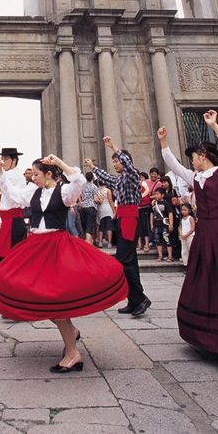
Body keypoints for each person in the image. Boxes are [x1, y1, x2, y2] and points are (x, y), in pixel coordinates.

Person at [0, 154, 127, 373]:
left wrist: (59, 163)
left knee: (55, 301)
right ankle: (71, 332)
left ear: (48, 174)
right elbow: (12, 195)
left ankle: (73, 352)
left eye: (36, 174)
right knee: (24, 288)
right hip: (36, 247)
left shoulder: (64, 192)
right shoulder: (33, 192)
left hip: (56, 247)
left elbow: (80, 181)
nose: (32, 177)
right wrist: (0, 172)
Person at [158, 109, 218, 360]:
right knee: (206, 280)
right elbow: (173, 165)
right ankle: (209, 335)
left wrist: (215, 126)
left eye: (194, 157)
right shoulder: (196, 177)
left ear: (203, 156)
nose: (191, 162)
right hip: (206, 234)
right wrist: (164, 143)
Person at [85, 136, 151, 317]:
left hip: (130, 219)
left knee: (124, 260)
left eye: (116, 161)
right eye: (113, 161)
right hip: (122, 219)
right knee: (131, 262)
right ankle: (133, 300)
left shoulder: (131, 176)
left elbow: (128, 164)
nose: (114, 164)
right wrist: (92, 167)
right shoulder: (120, 180)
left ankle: (140, 299)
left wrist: (113, 147)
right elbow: (106, 177)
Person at [150, 186, 173, 262]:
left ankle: (170, 256)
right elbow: (151, 214)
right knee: (157, 240)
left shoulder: (166, 204)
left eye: (157, 194)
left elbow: (170, 213)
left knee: (167, 240)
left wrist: (171, 224)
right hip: (156, 224)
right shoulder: (153, 204)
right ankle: (160, 256)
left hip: (164, 225)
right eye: (155, 194)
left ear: (162, 195)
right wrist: (151, 224)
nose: (156, 195)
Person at [80, 171, 99, 244]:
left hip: (83, 207)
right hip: (91, 207)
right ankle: (88, 244)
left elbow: (80, 195)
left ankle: (86, 242)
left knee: (84, 226)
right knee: (89, 227)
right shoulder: (94, 187)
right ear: (92, 178)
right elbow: (96, 199)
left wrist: (81, 202)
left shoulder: (82, 186)